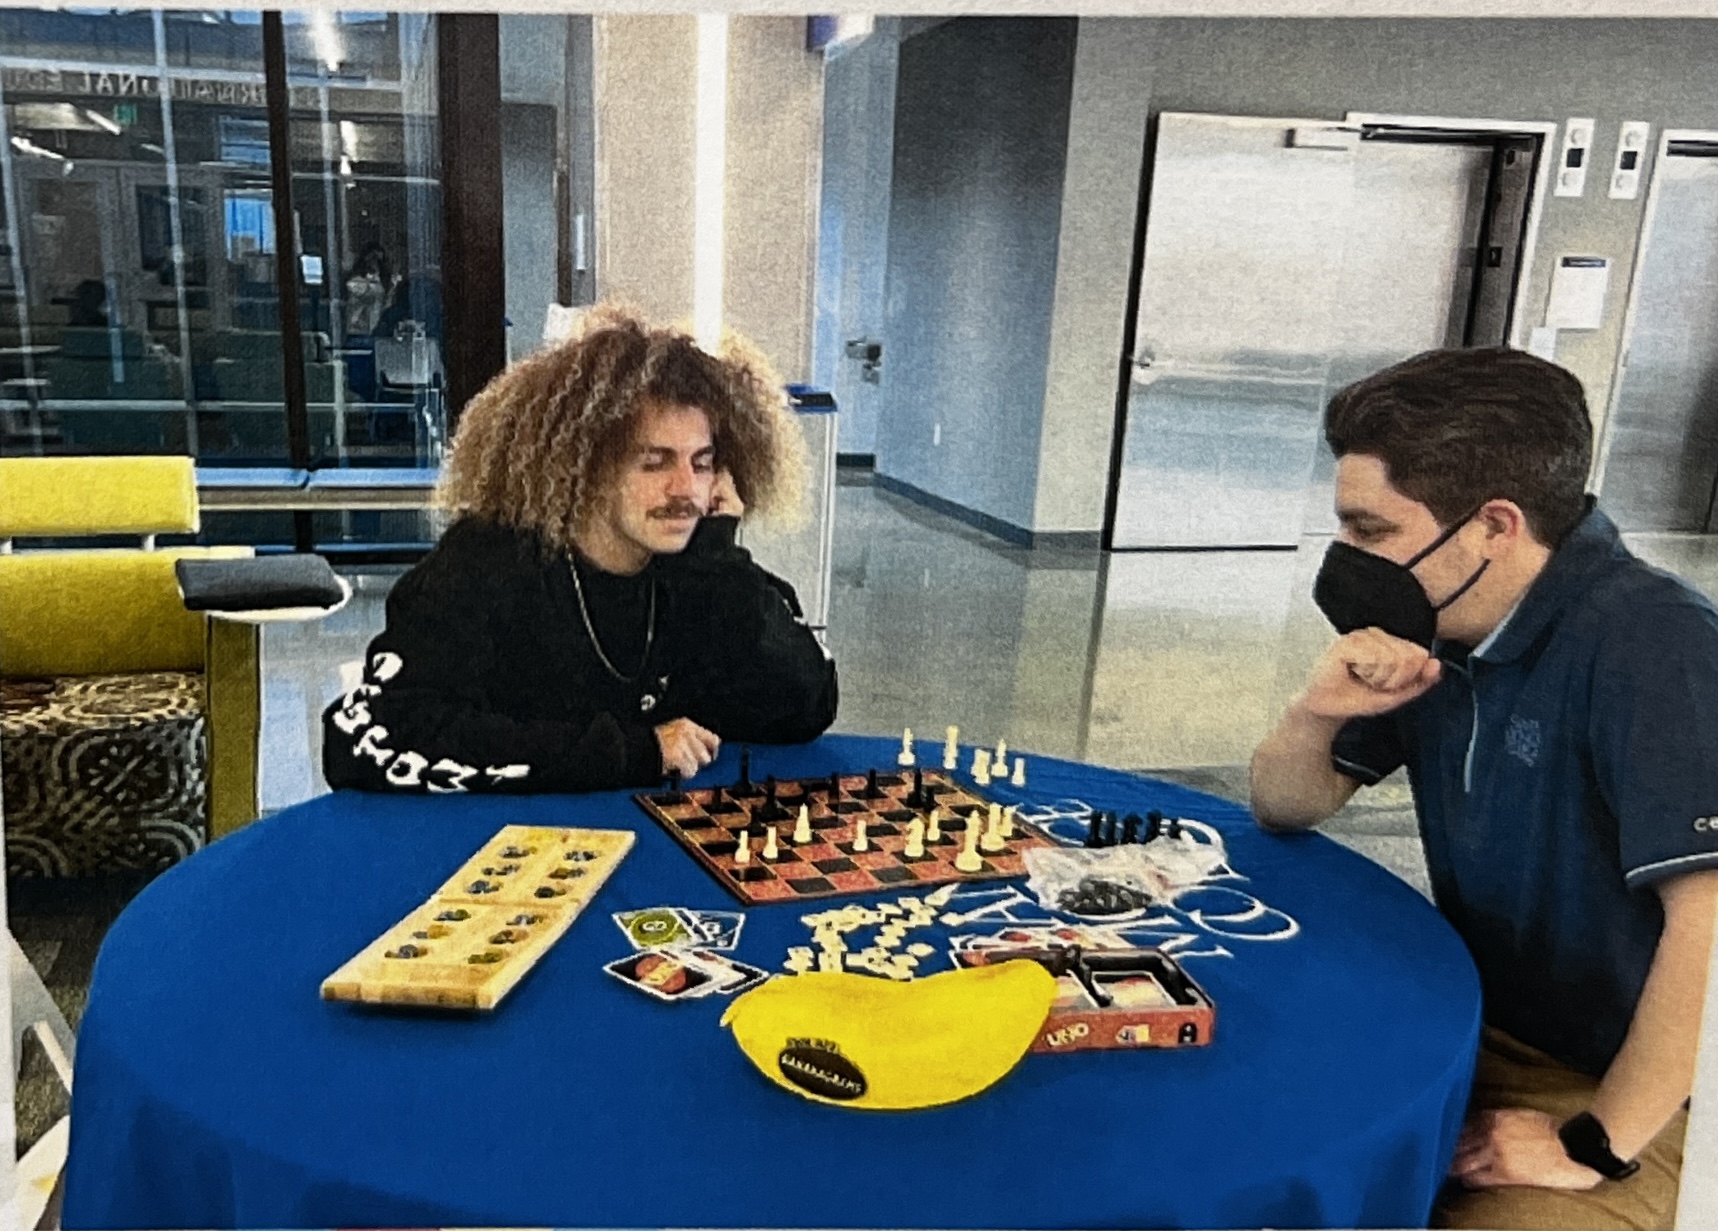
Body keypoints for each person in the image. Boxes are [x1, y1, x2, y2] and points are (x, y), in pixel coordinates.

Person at [1250, 347, 1718, 1231]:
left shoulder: (1658, 646)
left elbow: (1715, 929)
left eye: (1372, 531)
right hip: (1468, 1013)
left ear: (1494, 526)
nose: (1347, 557)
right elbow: (1284, 805)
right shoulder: (1445, 629)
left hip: (1648, 1083)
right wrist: (1317, 711)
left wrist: (1595, 1141)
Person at [322, 304, 838, 794]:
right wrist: (635, 751)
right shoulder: (489, 561)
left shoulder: (700, 570)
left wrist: (717, 558)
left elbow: (805, 707)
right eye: (653, 462)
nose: (686, 490)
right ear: (582, 469)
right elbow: (369, 739)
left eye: (701, 463)